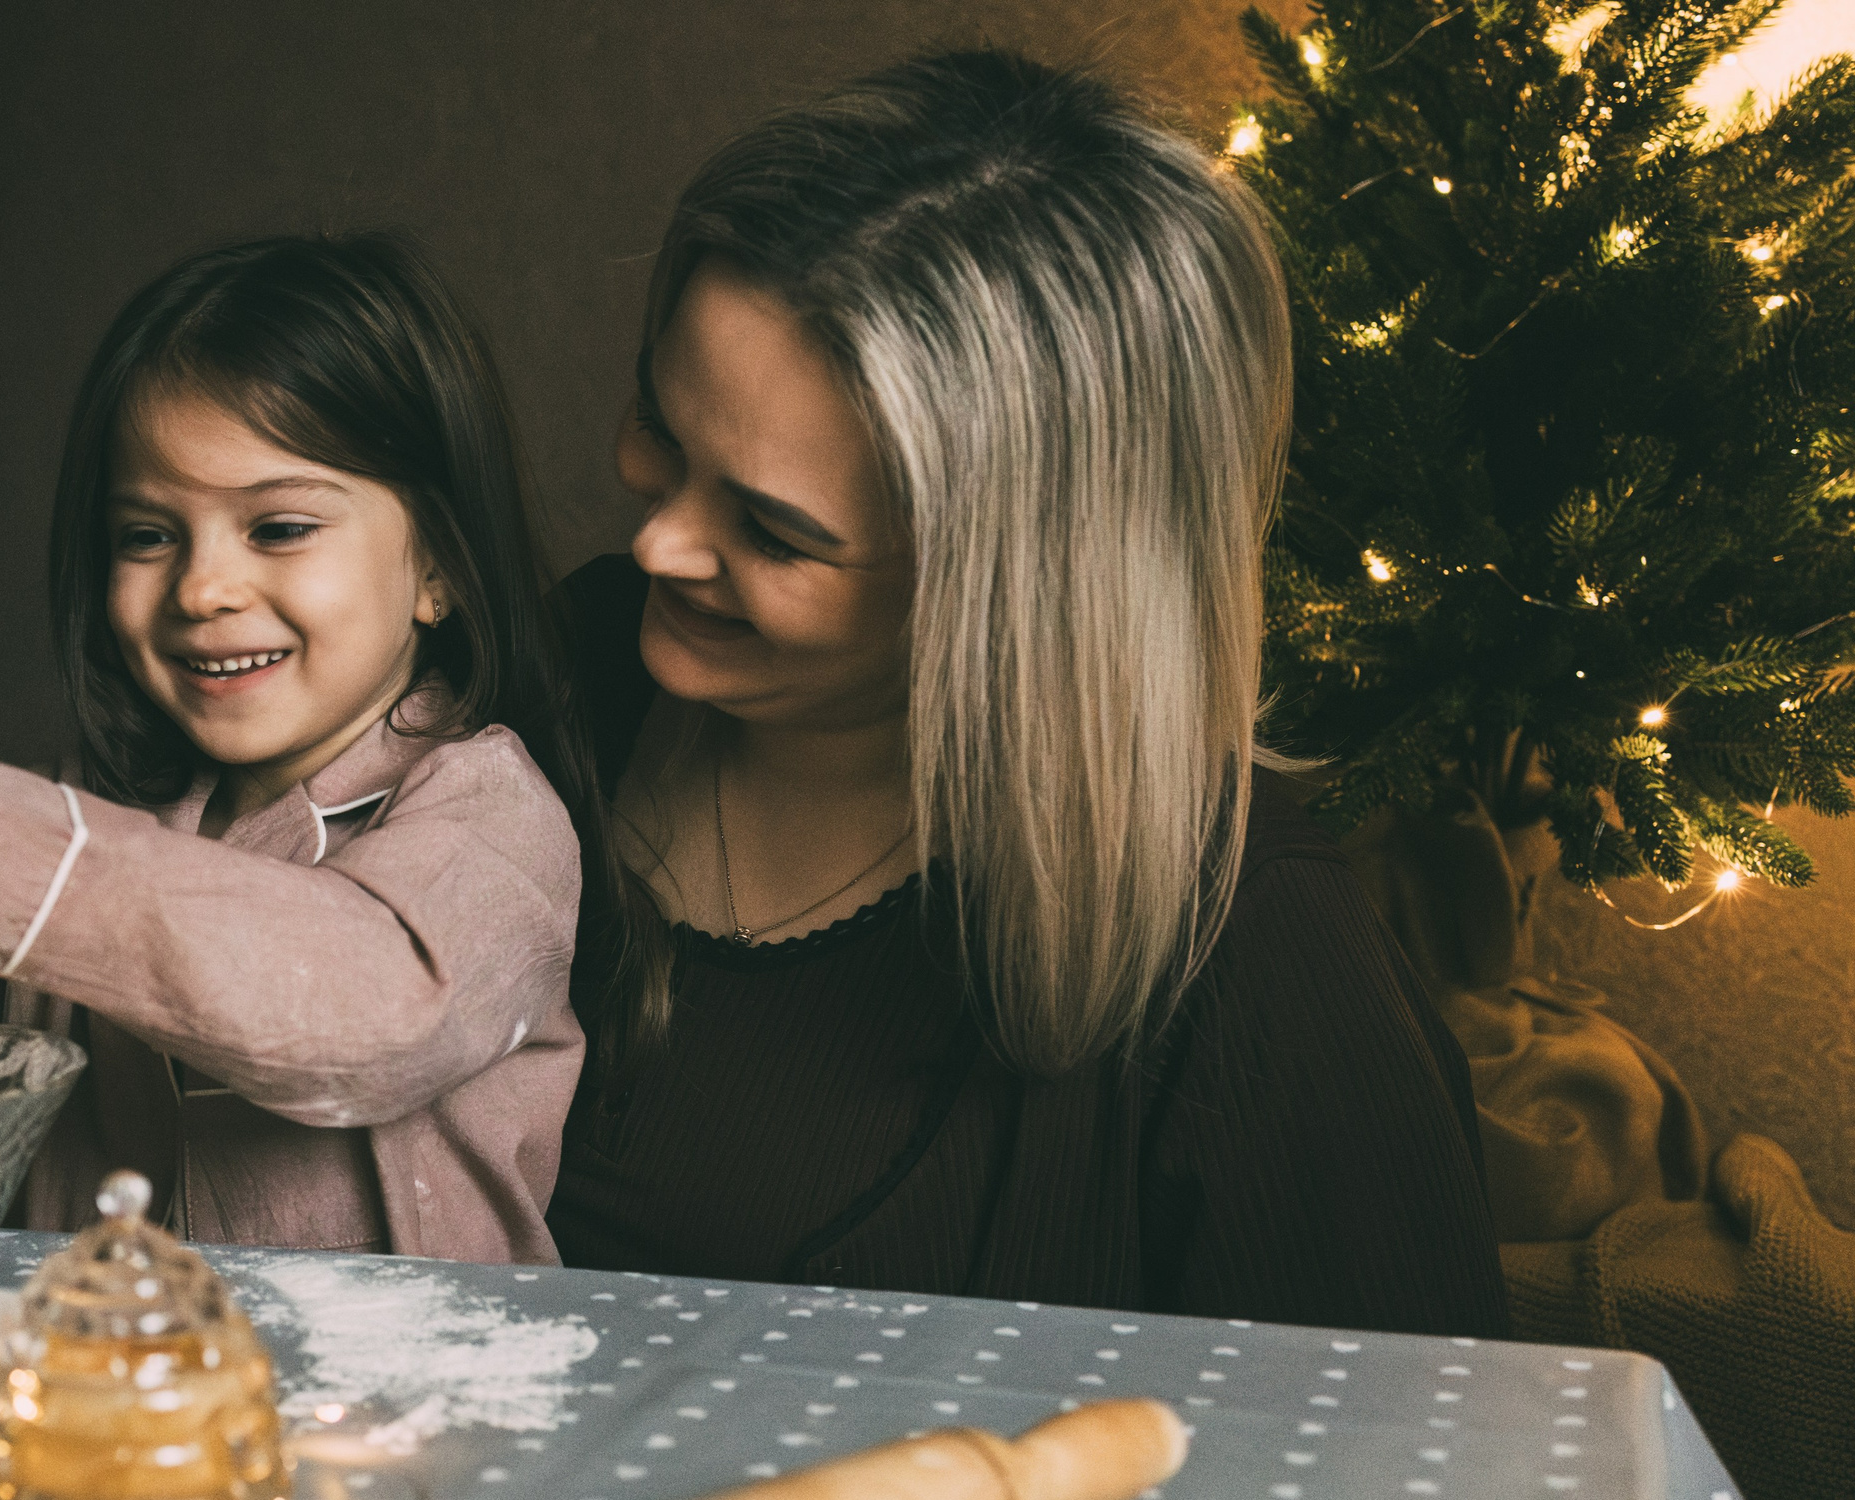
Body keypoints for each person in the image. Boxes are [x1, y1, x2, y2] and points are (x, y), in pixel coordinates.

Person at [550, 50, 1515, 1336]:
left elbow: (1409, 1497)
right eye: (662, 433)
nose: (661, 544)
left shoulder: (1255, 961)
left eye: (775, 532)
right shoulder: (558, 676)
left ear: (1013, 584)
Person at [0, 233, 607, 1262]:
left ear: (439, 565)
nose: (201, 588)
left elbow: (372, 1014)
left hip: (410, 1412)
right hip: (91, 1408)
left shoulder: (492, 818)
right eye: (148, 535)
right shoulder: (84, 808)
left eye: (276, 528)